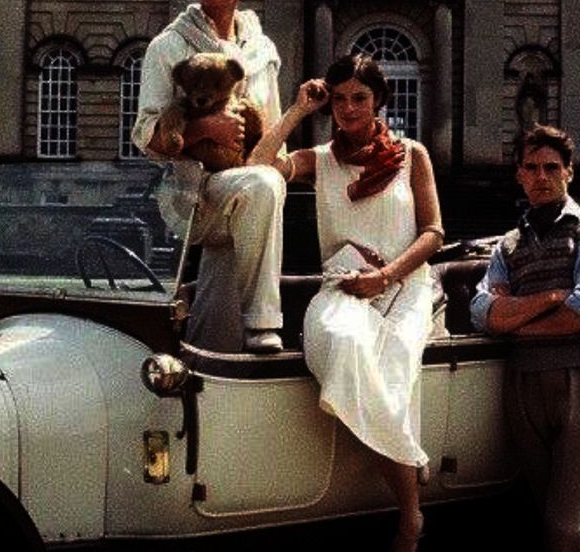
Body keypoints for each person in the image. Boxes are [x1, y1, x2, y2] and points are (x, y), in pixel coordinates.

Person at [247, 53, 444, 552]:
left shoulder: (413, 154)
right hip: (341, 285)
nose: (348, 109)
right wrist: (296, 111)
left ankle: (407, 518)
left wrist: (385, 276)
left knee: (392, 363)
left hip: (404, 285)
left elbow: (434, 233)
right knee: (342, 341)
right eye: (338, 99)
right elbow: (256, 167)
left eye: (359, 98)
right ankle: (410, 469)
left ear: (378, 100)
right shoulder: (321, 159)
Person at [132, 0, 285, 354]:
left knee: (264, 187)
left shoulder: (262, 48)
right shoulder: (169, 45)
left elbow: (269, 133)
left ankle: (216, 358)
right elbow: (145, 135)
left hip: (244, 187)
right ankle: (263, 324)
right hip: (189, 193)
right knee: (263, 187)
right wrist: (203, 129)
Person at [470, 125, 580, 552]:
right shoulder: (508, 246)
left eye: (552, 167)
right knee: (538, 505)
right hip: (521, 385)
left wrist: (514, 319)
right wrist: (551, 298)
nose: (541, 176)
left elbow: (578, 314)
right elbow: (482, 312)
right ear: (519, 174)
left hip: (574, 375)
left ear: (568, 172)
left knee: (566, 523)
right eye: (531, 167)